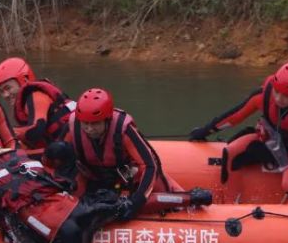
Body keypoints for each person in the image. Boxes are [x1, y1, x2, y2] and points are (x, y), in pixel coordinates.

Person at [188, 60, 288, 196]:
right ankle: (231, 204)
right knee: (231, 152)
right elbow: (235, 115)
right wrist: (206, 130)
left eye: (286, 96)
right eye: (277, 92)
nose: (279, 99)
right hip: (270, 141)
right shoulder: (263, 96)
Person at [67, 88, 210, 219]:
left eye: (95, 124)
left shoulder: (123, 129)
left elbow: (150, 165)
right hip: (97, 180)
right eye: (86, 123)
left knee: (146, 198)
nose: (90, 129)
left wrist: (136, 201)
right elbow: (58, 160)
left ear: (107, 119)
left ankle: (189, 197)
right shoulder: (73, 126)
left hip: (128, 177)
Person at [0, 57, 75, 150]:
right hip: (63, 144)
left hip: (73, 146)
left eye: (8, 88)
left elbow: (36, 129)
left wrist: (6, 132)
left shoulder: (36, 95)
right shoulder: (25, 102)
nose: (5, 95)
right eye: (1, 91)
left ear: (25, 79)